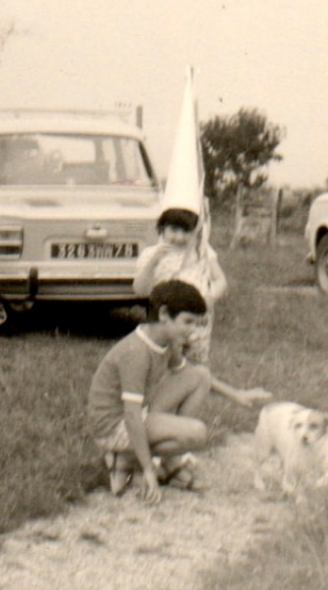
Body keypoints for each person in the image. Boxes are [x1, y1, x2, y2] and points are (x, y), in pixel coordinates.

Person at [87, 279, 270, 503]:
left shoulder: (167, 341)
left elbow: (192, 374)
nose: (193, 330)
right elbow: (132, 416)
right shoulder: (136, 352)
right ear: (164, 314)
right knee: (196, 433)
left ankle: (166, 462)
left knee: (200, 375)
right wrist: (148, 472)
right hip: (113, 426)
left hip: (138, 413)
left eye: (196, 323)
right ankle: (126, 460)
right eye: (188, 322)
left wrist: (237, 395)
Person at [132, 207, 229, 366]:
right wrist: (154, 261)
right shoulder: (151, 254)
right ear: (162, 228)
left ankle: (195, 386)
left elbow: (220, 280)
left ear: (195, 232)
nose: (179, 237)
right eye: (173, 230)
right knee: (163, 362)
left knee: (195, 363)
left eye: (186, 231)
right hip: (164, 319)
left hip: (195, 320)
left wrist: (208, 300)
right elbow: (139, 289)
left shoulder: (201, 252)